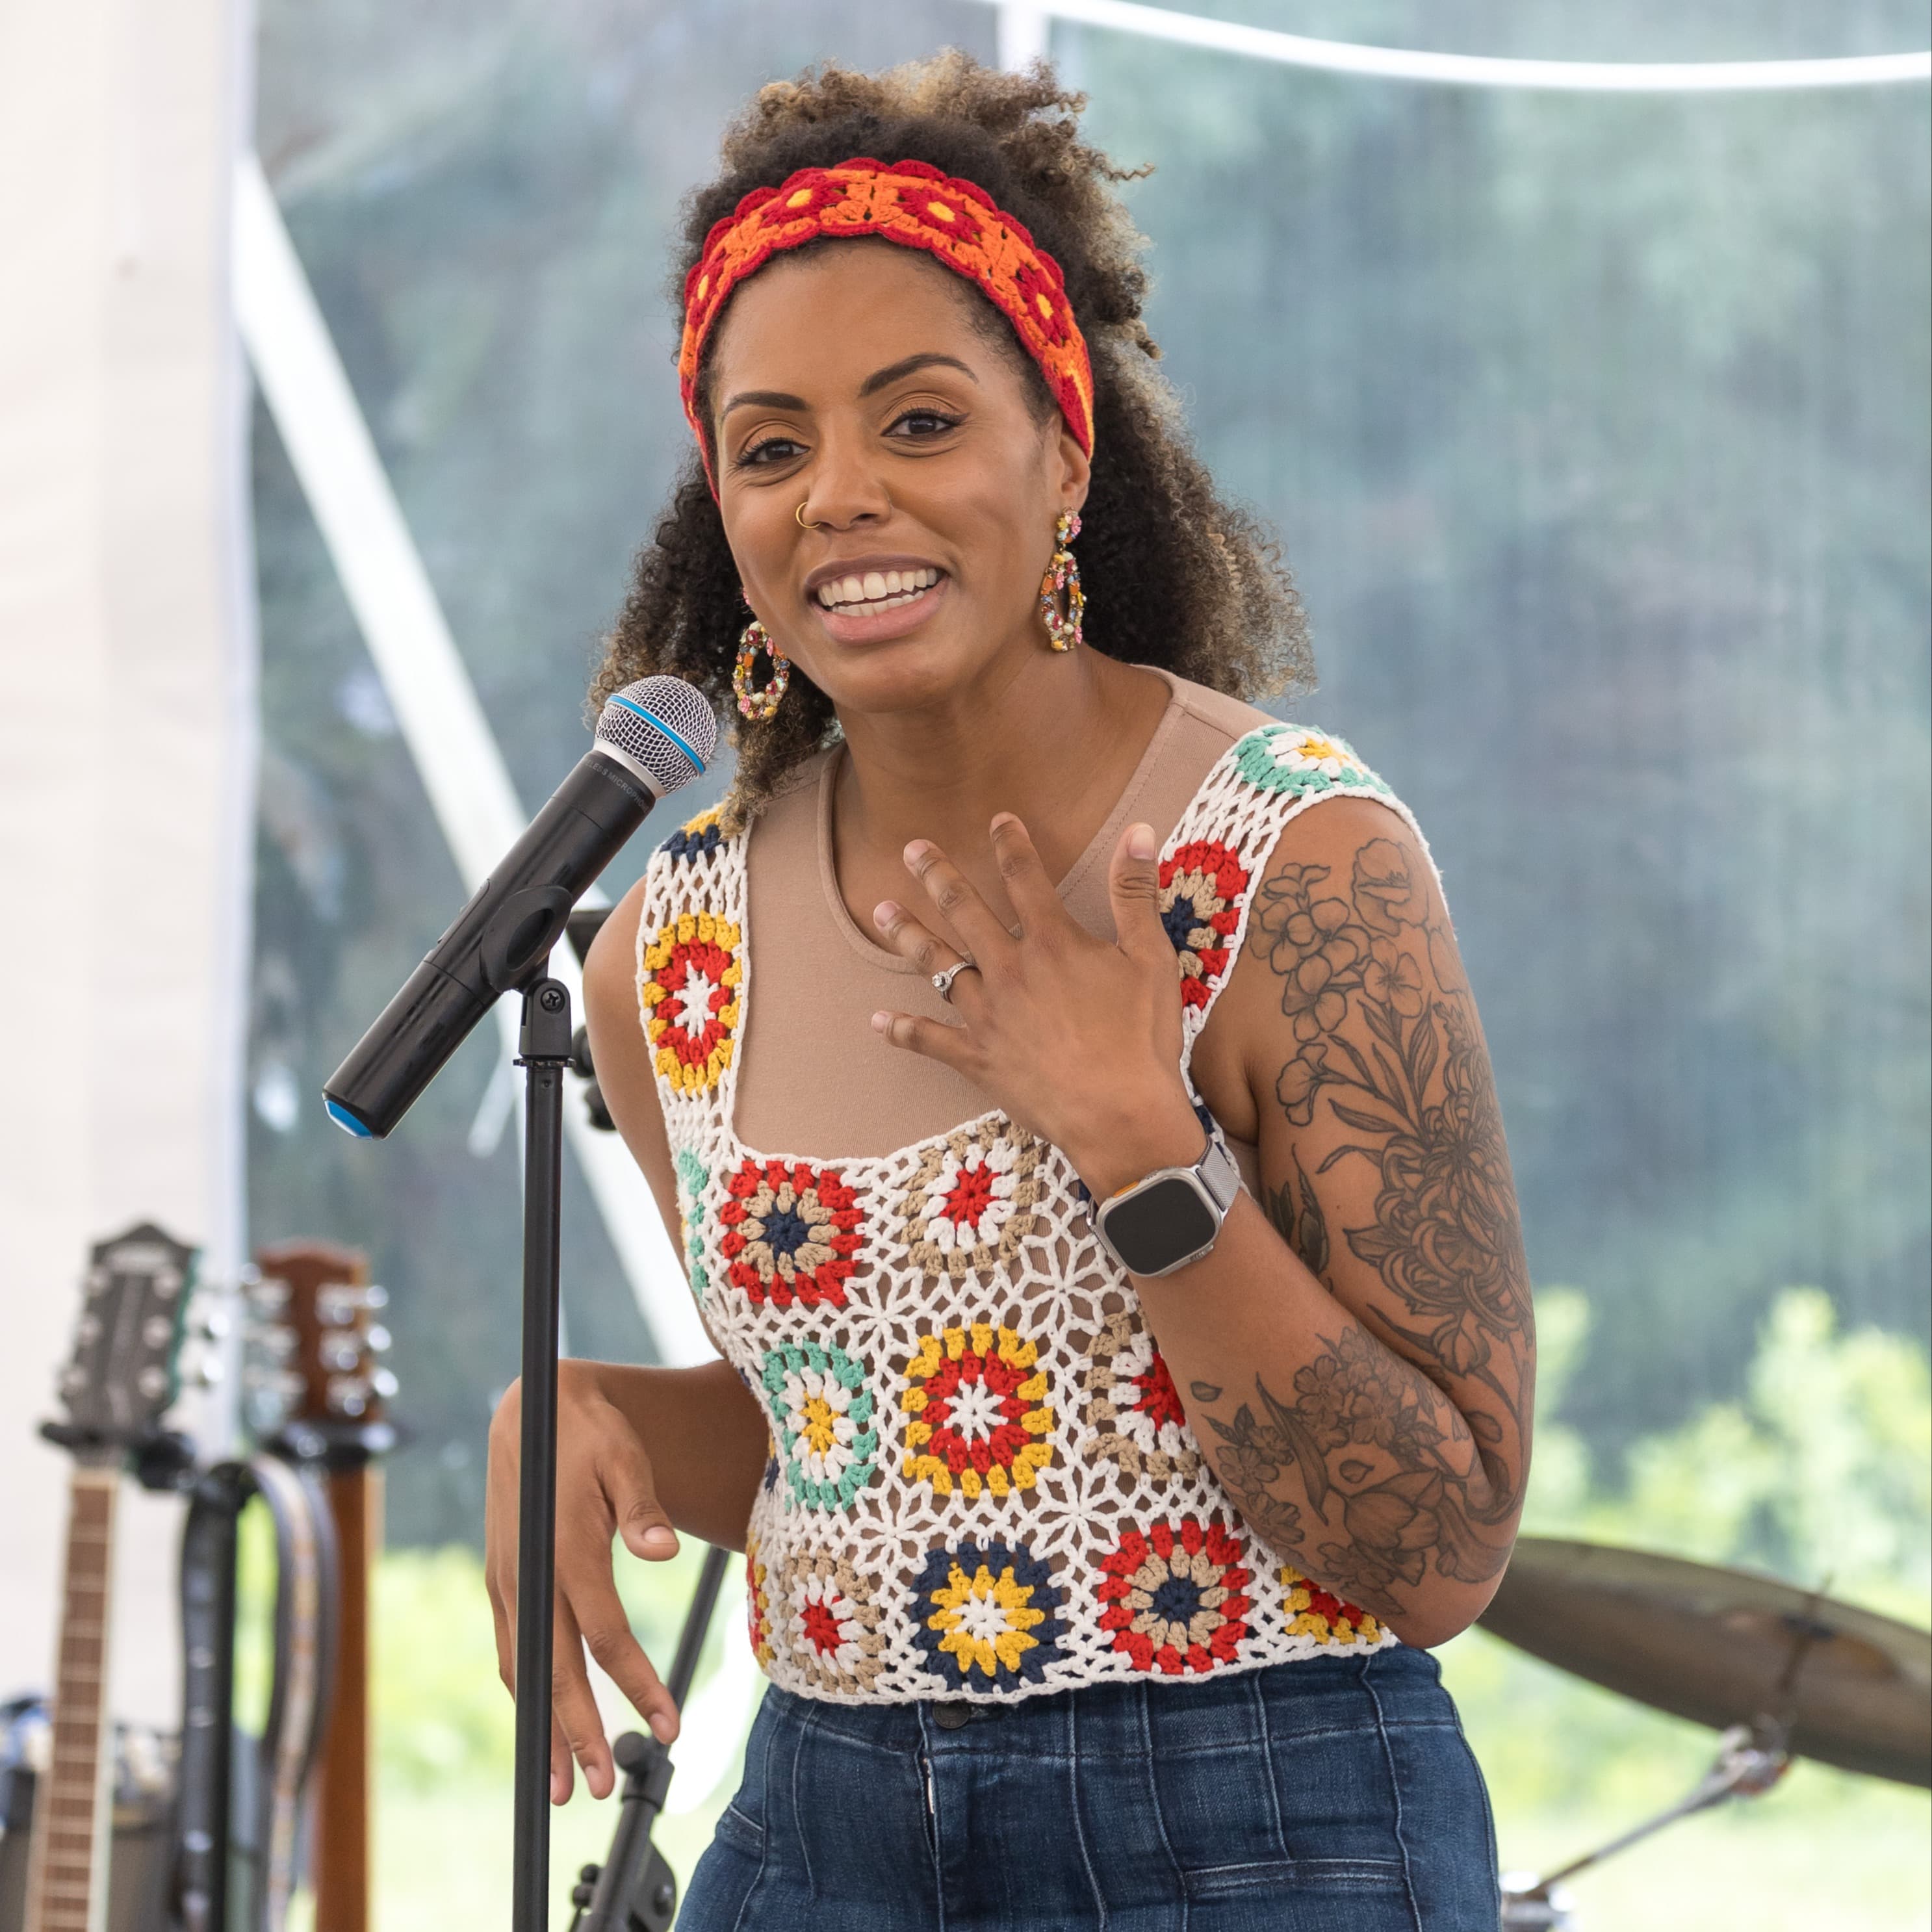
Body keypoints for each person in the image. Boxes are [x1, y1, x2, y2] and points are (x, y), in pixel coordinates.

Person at [486, 52, 1532, 1931]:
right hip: (824, 1825)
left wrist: (1143, 1146)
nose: (841, 497)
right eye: (773, 446)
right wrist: (591, 1415)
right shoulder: (670, 953)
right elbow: (854, 1435)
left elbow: (1444, 1546)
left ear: (1065, 449)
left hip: (1261, 1817)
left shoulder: (1291, 861)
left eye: (919, 420)